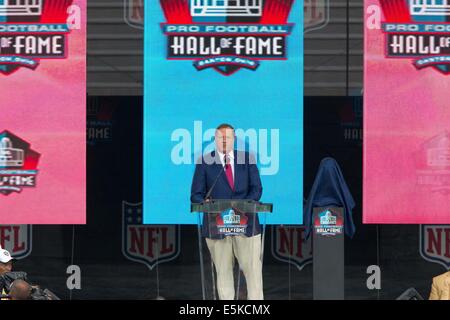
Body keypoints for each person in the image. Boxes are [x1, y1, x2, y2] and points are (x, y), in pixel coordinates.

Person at [191, 123, 264, 300]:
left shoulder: (248, 159)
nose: (224, 140)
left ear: (234, 139)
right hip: (217, 226)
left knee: (253, 273)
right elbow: (196, 195)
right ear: (215, 139)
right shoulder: (205, 162)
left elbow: (257, 190)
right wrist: (204, 202)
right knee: (223, 273)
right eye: (220, 137)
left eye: (228, 137)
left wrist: (242, 206)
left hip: (247, 225)